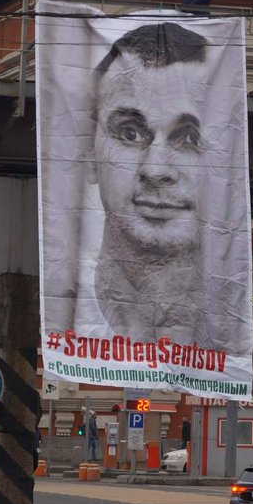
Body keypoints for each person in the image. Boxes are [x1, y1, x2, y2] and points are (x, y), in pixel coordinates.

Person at [80, 21, 210, 341]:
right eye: (130, 133)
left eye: (190, 137)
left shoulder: (229, 328)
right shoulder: (61, 306)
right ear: (89, 153)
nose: (155, 170)